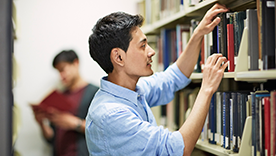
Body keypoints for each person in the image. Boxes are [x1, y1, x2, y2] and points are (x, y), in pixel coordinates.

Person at [86, 3, 228, 156]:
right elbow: (177, 149)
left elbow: (172, 78)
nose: (151, 52)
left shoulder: (131, 90)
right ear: (118, 57)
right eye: (143, 46)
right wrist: (207, 89)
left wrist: (198, 34)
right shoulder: (112, 115)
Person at [33, 50, 98, 156]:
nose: (61, 76)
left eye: (63, 69)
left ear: (76, 63)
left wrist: (75, 123)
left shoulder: (94, 92)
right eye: (58, 72)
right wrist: (41, 123)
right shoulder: (59, 96)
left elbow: (103, 130)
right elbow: (51, 138)